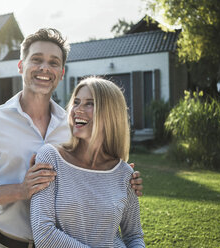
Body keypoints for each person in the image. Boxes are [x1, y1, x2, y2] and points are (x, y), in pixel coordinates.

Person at [0, 28, 143, 248]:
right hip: (11, 244)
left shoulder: (73, 125)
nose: (44, 68)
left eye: (53, 62)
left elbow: (92, 170)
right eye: (36, 59)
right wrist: (20, 190)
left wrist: (120, 178)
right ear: (21, 66)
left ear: (61, 73)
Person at [30, 77, 145, 247]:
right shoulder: (50, 157)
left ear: (110, 114)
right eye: (76, 102)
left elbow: (133, 236)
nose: (78, 110)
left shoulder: (125, 173)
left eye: (89, 104)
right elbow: (44, 235)